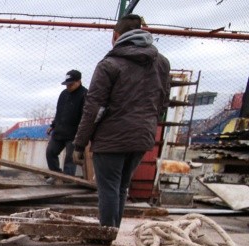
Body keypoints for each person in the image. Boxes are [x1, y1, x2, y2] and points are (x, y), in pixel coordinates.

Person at [73, 14, 170, 230]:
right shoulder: (161, 63)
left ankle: (107, 235)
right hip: (142, 136)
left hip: (111, 137)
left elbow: (93, 108)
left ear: (116, 35)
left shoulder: (109, 64)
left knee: (108, 187)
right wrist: (147, 124)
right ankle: (113, 231)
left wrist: (80, 143)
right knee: (122, 187)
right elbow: (163, 103)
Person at [46, 69, 87, 177]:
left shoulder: (85, 94)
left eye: (71, 84)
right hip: (59, 131)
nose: (68, 86)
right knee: (50, 152)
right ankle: (56, 175)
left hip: (74, 134)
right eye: (67, 84)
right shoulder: (63, 94)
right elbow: (59, 112)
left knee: (70, 159)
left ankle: (67, 181)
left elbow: (86, 117)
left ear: (79, 81)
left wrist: (81, 135)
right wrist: (53, 125)